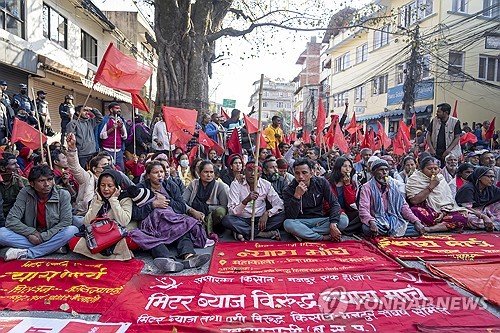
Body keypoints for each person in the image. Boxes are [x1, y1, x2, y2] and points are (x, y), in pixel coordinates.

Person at [129, 161, 211, 273]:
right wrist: (153, 205)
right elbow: (134, 213)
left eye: (161, 172)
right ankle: (168, 261)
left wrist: (167, 200)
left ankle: (189, 256)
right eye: (155, 172)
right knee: (152, 241)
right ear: (148, 175)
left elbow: (181, 207)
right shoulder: (140, 189)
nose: (160, 175)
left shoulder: (171, 186)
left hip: (171, 220)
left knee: (183, 230)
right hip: (152, 224)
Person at [0, 165, 78, 260]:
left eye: (49, 179)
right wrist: (31, 232)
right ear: (32, 183)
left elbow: (66, 222)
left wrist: (43, 237)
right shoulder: (25, 193)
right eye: (41, 181)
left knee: (72, 230)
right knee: (2, 233)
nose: (47, 184)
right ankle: (53, 247)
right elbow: (11, 220)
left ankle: (29, 253)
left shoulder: (62, 194)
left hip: (52, 234)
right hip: (32, 235)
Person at [72, 170, 134, 260]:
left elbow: (124, 221)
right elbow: (86, 222)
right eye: (102, 185)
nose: (105, 189)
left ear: (117, 187)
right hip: (99, 234)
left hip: (117, 235)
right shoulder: (98, 198)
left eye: (110, 186)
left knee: (132, 241)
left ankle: (101, 254)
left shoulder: (125, 198)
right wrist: (97, 202)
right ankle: (115, 255)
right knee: (73, 242)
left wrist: (113, 200)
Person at [283, 159, 348, 242]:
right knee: (288, 224)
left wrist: (333, 224)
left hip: (320, 220)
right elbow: (290, 216)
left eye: (304, 172)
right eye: (297, 173)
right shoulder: (289, 189)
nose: (300, 177)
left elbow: (334, 203)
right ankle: (321, 237)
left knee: (343, 220)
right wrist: (297, 196)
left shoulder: (321, 182)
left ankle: (304, 234)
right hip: (301, 222)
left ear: (312, 173)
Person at [358, 159, 424, 237]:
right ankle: (393, 232)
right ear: (374, 172)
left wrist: (416, 221)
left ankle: (390, 232)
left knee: (416, 228)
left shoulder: (393, 185)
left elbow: (403, 206)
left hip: (394, 219)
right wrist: (371, 222)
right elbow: (363, 209)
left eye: (386, 170)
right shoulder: (367, 187)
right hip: (377, 220)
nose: (385, 173)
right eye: (381, 170)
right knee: (366, 229)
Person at [222, 161, 285, 241]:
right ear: (244, 171)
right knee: (227, 220)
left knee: (283, 215)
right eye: (249, 170)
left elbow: (279, 205)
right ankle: (261, 234)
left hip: (261, 220)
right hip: (242, 219)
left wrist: (267, 213)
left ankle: (242, 232)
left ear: (260, 173)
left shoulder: (266, 185)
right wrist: (246, 200)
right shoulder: (236, 184)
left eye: (256, 171)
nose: (252, 174)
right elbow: (232, 211)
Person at [406, 156, 468, 233]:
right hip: (427, 210)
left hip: (444, 212)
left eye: (436, 168)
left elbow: (448, 199)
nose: (433, 171)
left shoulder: (440, 178)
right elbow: (414, 201)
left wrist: (443, 212)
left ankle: (430, 229)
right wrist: (431, 186)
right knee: (415, 211)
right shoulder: (415, 179)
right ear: (421, 169)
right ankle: (444, 226)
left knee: (462, 217)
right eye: (429, 169)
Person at [66, 133, 111, 225]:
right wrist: (72, 149)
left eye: (109, 165)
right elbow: (75, 168)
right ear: (95, 169)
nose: (108, 168)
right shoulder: (87, 178)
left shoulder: (113, 179)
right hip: (85, 215)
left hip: (106, 215)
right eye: (105, 166)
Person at [184, 161, 229, 238]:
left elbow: (224, 206)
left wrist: (207, 208)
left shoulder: (220, 186)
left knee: (220, 211)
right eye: (206, 172)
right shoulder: (193, 184)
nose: (209, 175)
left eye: (211, 172)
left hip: (212, 216)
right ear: (199, 172)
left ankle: (209, 230)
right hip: (193, 213)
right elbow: (182, 201)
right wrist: (193, 211)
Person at [456, 166, 500, 231]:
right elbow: (467, 208)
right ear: (480, 177)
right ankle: (492, 224)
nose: (492, 179)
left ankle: (491, 224)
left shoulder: (490, 187)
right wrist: (484, 217)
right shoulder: (468, 188)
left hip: (484, 211)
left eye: (493, 177)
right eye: (489, 176)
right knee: (469, 218)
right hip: (469, 212)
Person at [328, 157, 361, 234]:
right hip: (333, 211)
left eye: (349, 166)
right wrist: (340, 211)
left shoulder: (352, 183)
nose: (347, 169)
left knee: (361, 215)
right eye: (344, 166)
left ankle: (344, 230)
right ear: (338, 167)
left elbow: (351, 202)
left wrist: (347, 185)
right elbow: (328, 203)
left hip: (346, 211)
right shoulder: (329, 183)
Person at [98, 102, 127, 171]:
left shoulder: (121, 121)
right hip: (107, 150)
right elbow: (102, 136)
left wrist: (121, 127)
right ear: (111, 110)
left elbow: (124, 136)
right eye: (117, 108)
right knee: (107, 169)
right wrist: (112, 129)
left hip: (118, 151)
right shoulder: (105, 120)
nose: (119, 110)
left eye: (119, 108)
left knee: (120, 169)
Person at [0, 153, 28, 218]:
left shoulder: (23, 181)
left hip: (15, 216)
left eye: (17, 163)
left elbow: (29, 200)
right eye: (13, 164)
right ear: (2, 168)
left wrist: (21, 186)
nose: (18, 166)